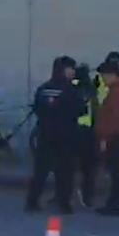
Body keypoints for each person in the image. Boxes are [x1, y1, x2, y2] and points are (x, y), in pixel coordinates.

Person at [25, 56, 82, 214]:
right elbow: (79, 109)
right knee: (65, 171)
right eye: (71, 69)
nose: (73, 72)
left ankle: (32, 201)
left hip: (45, 134)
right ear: (64, 70)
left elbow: (37, 108)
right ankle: (64, 203)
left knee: (40, 171)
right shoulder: (70, 90)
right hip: (65, 136)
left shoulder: (44, 88)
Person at [93, 58, 119, 216]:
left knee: (116, 172)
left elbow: (113, 117)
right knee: (118, 171)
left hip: (115, 136)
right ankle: (117, 203)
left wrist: (104, 138)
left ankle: (116, 204)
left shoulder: (117, 91)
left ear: (112, 75)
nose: (103, 79)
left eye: (104, 75)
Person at [72, 63, 98, 207]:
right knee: (88, 168)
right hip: (90, 132)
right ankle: (87, 196)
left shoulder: (74, 87)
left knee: (69, 165)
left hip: (75, 131)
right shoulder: (91, 89)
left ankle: (68, 195)